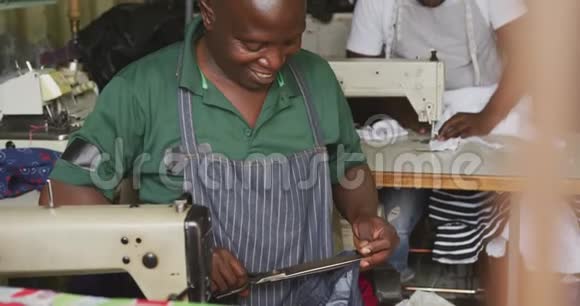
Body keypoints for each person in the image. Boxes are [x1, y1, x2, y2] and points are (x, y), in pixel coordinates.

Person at [39, 0, 399, 305]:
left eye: (290, 40)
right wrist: (180, 247)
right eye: (252, 44)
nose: (274, 61)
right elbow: (67, 194)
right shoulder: (141, 89)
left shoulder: (316, 78)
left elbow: (347, 165)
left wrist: (365, 215)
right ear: (208, 13)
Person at [346, 0, 528, 280]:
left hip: (486, 107)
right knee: (396, 218)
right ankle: (391, 287)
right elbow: (359, 74)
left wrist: (487, 117)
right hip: (409, 113)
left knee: (499, 200)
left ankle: (485, 280)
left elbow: (528, 55)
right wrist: (400, 109)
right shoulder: (377, 3)